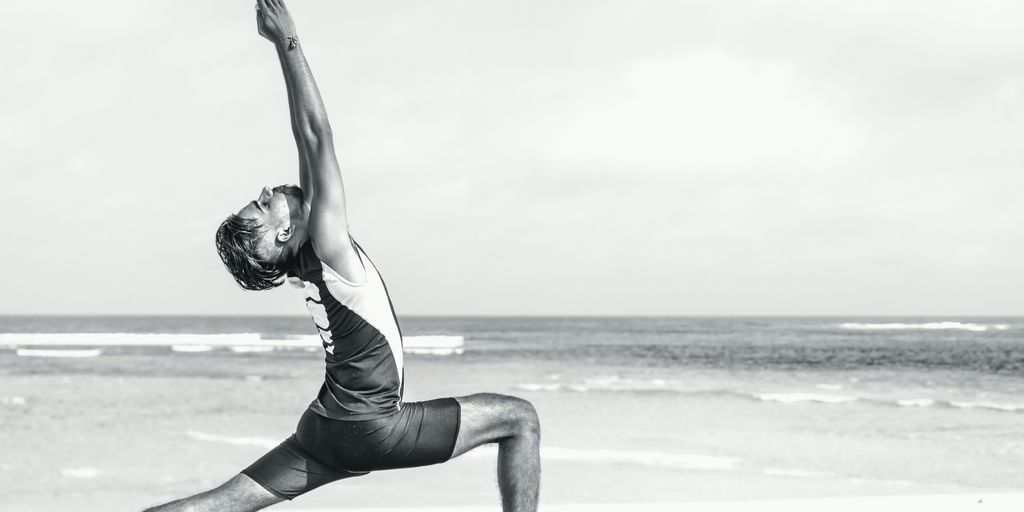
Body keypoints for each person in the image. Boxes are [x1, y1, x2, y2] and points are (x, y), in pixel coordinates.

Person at [144, 1, 540, 511]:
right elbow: (316, 136)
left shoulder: (307, 258)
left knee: (225, 502)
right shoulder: (328, 245)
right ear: (284, 231)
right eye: (265, 203)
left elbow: (304, 145)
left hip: (323, 430)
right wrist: (287, 41)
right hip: (372, 427)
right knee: (519, 418)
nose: (269, 190)